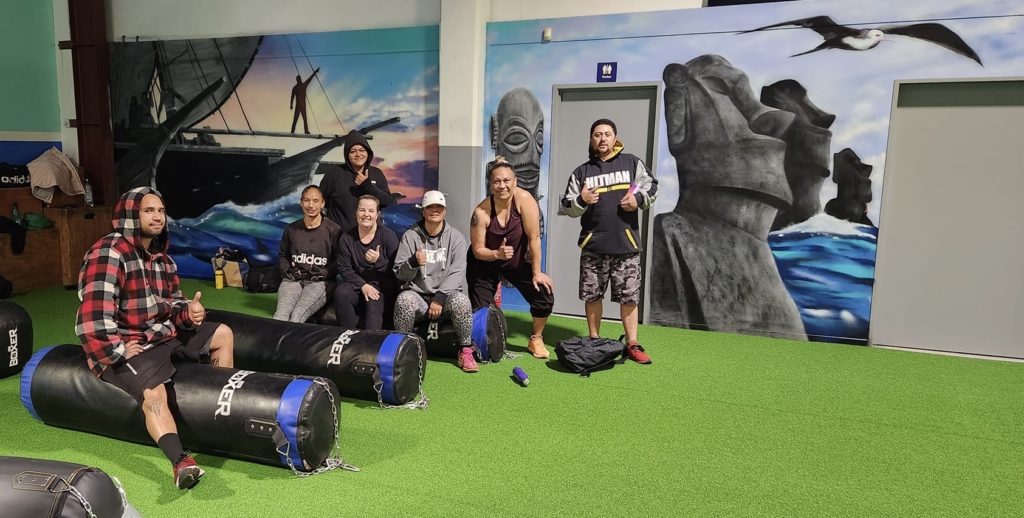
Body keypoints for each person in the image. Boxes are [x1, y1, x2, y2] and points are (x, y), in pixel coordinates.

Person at [76, 186, 235, 490]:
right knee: (154, 394)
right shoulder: (110, 252)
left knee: (222, 334)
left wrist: (189, 313)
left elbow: (172, 302)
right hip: (126, 344)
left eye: (160, 210)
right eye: (149, 210)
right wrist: (118, 350)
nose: (157, 217)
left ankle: (215, 416)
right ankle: (181, 463)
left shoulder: (162, 257)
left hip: (160, 334)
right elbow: (92, 318)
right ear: (130, 215)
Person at [558, 118, 659, 364]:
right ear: (591, 140)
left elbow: (652, 187)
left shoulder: (632, 163)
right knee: (592, 296)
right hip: (593, 247)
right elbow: (566, 205)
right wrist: (581, 200)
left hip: (626, 247)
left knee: (629, 297)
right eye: (597, 135)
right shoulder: (582, 172)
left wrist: (638, 200)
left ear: (615, 138)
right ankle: (594, 340)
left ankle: (632, 344)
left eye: (607, 134)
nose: (602, 139)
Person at [468, 156, 554, 359]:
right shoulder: (481, 212)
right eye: (497, 181)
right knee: (481, 311)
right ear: (491, 184)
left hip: (516, 261)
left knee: (544, 294)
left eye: (506, 181)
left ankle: (536, 339)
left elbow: (534, 238)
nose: (502, 186)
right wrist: (496, 254)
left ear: (515, 181)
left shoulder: (525, 200)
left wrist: (537, 272)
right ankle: (479, 341)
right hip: (485, 263)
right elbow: (477, 250)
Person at [393, 190, 476, 372]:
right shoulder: (410, 236)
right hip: (420, 299)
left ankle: (465, 350)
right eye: (430, 207)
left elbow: (458, 272)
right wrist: (413, 262)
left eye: (439, 207)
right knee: (404, 300)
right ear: (423, 211)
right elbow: (400, 274)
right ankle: (403, 352)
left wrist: (440, 297)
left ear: (444, 211)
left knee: (462, 302)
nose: (434, 210)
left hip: (445, 299)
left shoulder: (456, 238)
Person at [274, 185, 341, 323]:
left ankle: (291, 345)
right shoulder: (291, 228)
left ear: (322, 203)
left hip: (320, 283)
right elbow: (282, 255)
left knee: (297, 315)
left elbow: (340, 261)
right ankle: (270, 344)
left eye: (315, 201)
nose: (311, 205)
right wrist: (287, 270)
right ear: (301, 202)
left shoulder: (334, 230)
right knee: (281, 314)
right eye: (307, 200)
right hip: (293, 280)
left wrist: (324, 273)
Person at [334, 195, 400, 330]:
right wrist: (363, 285)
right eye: (362, 210)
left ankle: (371, 345)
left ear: (377, 215)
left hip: (382, 288)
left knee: (373, 301)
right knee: (342, 292)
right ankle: (348, 339)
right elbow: (345, 269)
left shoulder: (388, 236)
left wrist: (379, 261)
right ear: (356, 212)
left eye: (371, 211)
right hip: (358, 286)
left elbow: (397, 272)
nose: (366, 215)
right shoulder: (346, 238)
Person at [320, 129, 393, 231]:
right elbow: (320, 202)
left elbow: (387, 201)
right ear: (347, 155)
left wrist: (367, 186)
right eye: (353, 151)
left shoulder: (377, 174)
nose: (358, 154)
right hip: (339, 238)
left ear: (368, 152)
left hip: (370, 238)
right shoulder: (334, 174)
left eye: (362, 150)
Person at [290, 67, 320, 134]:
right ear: (297, 80)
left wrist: (315, 72)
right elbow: (292, 97)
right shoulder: (296, 87)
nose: (299, 80)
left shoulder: (302, 85)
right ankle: (293, 130)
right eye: (298, 79)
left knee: (304, 119)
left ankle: (305, 130)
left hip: (302, 105)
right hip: (299, 106)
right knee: (296, 119)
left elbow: (310, 78)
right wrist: (291, 104)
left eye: (299, 79)